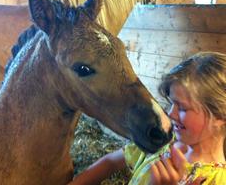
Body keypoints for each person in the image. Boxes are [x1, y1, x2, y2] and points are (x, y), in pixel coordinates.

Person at [70, 52, 226, 185]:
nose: (171, 114)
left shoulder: (216, 180)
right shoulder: (163, 141)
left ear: (220, 115)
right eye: (171, 103)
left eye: (183, 108)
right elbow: (111, 161)